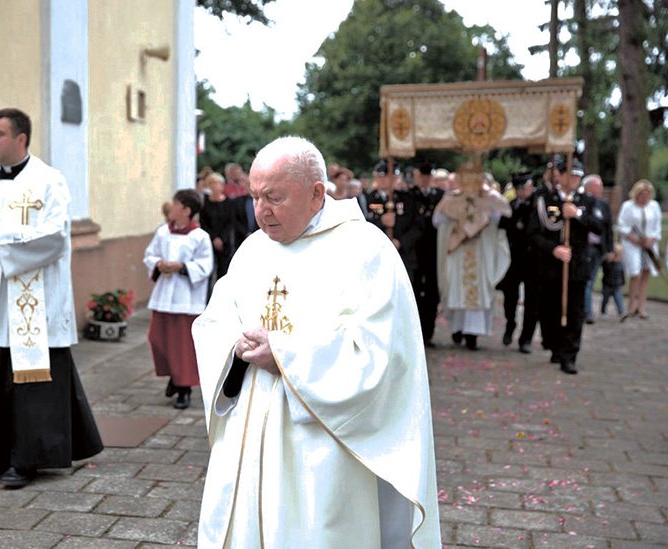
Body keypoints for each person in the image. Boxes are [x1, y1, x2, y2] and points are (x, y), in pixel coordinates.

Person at [192, 136, 440, 548]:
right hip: (249, 436)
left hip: (321, 446)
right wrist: (234, 344)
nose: (261, 212)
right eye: (255, 197)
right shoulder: (253, 250)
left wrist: (286, 354)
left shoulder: (365, 251)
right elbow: (215, 322)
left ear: (317, 193)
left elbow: (379, 354)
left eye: (274, 198)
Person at [0, 108, 103, 488]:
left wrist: (0, 235)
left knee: (33, 384)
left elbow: (56, 236)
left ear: (21, 139)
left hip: (33, 302)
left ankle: (27, 460)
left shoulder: (49, 181)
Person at [526, 156, 603, 374]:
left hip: (577, 266)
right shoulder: (545, 200)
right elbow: (532, 234)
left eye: (578, 176)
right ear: (560, 176)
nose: (575, 180)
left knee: (575, 311)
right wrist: (554, 249)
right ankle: (554, 346)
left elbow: (599, 227)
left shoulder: (587, 202)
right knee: (550, 310)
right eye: (571, 175)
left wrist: (577, 214)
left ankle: (569, 354)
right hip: (551, 267)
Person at [144, 190, 213, 409]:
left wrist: (181, 266)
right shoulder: (163, 232)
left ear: (186, 210)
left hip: (186, 299)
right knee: (157, 339)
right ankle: (174, 376)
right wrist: (158, 264)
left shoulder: (200, 236)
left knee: (183, 346)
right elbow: (150, 254)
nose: (170, 206)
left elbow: (205, 266)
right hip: (164, 296)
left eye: (174, 204)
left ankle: (184, 389)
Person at [434, 167, 512, 350]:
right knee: (456, 289)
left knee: (478, 292)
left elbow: (501, 217)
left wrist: (483, 209)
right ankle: (457, 329)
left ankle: (472, 335)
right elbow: (437, 221)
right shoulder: (451, 198)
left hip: (481, 252)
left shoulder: (490, 198)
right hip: (458, 253)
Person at [498, 173, 538, 353]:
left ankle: (526, 337)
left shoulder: (536, 206)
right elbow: (502, 227)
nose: (522, 192)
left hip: (532, 259)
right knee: (510, 297)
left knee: (532, 301)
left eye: (525, 188)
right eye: (519, 189)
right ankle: (510, 323)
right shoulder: (511, 206)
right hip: (513, 259)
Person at [410, 162, 444, 348]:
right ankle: (415, 332)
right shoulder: (410, 196)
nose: (425, 180)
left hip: (433, 250)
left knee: (432, 293)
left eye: (428, 176)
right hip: (415, 250)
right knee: (415, 291)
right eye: (422, 176)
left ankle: (428, 333)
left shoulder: (440, 196)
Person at [617, 179, 662, 321]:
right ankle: (631, 305)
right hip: (633, 244)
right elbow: (622, 225)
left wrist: (651, 239)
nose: (644, 197)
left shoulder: (654, 206)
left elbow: (657, 226)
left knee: (645, 273)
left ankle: (642, 307)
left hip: (648, 245)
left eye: (647, 194)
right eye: (642, 194)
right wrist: (634, 239)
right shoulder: (628, 206)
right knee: (635, 273)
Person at [581, 175, 614, 324]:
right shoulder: (582, 202)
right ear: (588, 188)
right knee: (586, 281)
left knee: (592, 280)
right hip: (585, 247)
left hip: (599, 248)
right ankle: (587, 312)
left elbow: (608, 228)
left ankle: (586, 310)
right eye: (597, 186)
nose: (600, 190)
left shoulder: (603, 204)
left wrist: (610, 248)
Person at [199, 172, 236, 287]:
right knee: (208, 272)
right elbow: (203, 223)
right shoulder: (205, 204)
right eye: (213, 183)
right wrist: (214, 238)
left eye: (218, 183)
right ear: (209, 186)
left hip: (224, 242)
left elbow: (230, 223)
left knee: (223, 272)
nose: (216, 186)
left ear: (222, 185)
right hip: (209, 241)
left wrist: (221, 239)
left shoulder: (229, 203)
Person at [600, 243, 626, 319]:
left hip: (617, 285)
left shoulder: (620, 264)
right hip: (607, 285)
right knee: (605, 299)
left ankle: (621, 313)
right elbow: (603, 266)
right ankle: (603, 312)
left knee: (619, 299)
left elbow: (622, 274)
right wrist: (607, 259)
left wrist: (623, 283)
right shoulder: (607, 263)